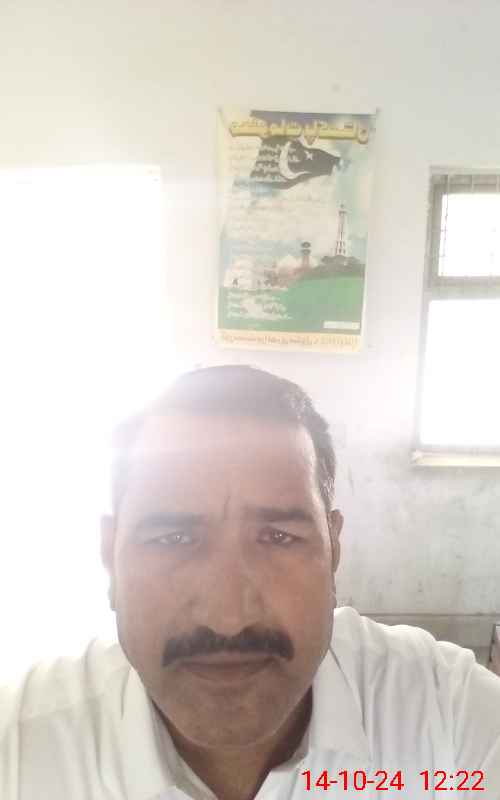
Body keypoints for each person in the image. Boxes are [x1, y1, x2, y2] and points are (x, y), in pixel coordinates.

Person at [1, 364, 499, 800]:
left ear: (333, 550)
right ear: (110, 556)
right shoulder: (21, 749)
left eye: (279, 537)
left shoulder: (445, 719)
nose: (228, 617)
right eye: (173, 537)